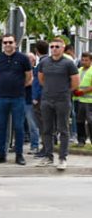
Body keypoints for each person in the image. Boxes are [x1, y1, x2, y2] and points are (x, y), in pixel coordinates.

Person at [37, 37, 80, 170]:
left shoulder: (69, 63)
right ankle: (48, 156)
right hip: (46, 100)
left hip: (62, 100)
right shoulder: (44, 62)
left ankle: (62, 158)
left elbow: (75, 83)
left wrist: (63, 91)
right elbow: (41, 79)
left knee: (63, 129)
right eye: (52, 47)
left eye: (57, 46)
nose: (54, 49)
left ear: (63, 48)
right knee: (47, 129)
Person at [0, 34, 32, 165]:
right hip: (1, 97)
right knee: (1, 127)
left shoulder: (23, 58)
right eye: (5, 42)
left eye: (10, 42)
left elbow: (29, 77)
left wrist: (19, 86)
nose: (7, 45)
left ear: (15, 43)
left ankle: (19, 155)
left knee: (19, 127)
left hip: (18, 97)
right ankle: (1, 154)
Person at [32, 40, 49, 158]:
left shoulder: (41, 64)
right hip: (49, 97)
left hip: (41, 98)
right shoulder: (50, 61)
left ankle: (46, 148)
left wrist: (35, 97)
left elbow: (38, 82)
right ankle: (48, 147)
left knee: (43, 124)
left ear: (36, 51)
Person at [24, 53, 41, 154]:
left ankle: (35, 146)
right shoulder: (22, 70)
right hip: (20, 99)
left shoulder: (35, 70)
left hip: (29, 101)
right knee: (19, 125)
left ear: (33, 61)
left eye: (29, 59)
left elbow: (32, 81)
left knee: (32, 125)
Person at [74, 52, 92, 148]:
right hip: (79, 100)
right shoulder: (79, 70)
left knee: (90, 121)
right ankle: (81, 140)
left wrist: (82, 92)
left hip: (89, 101)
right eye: (83, 60)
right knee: (79, 121)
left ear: (91, 61)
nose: (84, 62)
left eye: (86, 60)